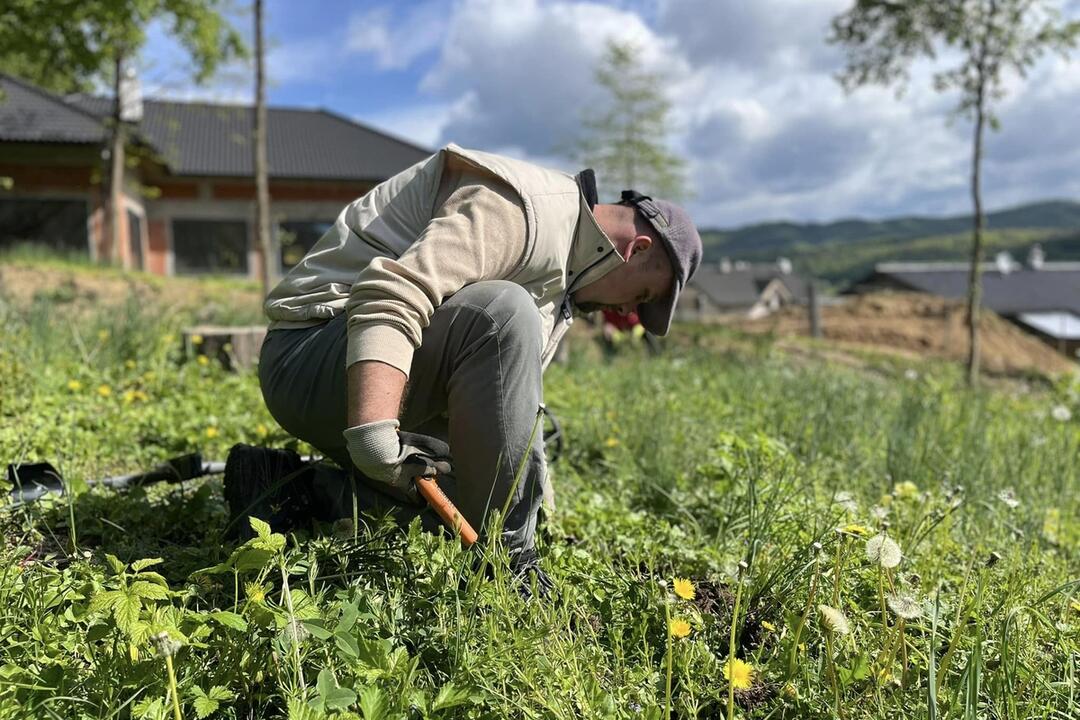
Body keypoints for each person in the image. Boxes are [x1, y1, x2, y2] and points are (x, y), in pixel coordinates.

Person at [257, 143, 701, 569]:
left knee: (473, 511)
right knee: (502, 312)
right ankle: (508, 565)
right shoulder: (528, 208)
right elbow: (392, 294)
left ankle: (301, 489)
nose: (628, 313)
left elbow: (512, 408)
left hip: (379, 370)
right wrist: (374, 433)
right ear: (636, 249)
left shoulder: (565, 277)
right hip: (309, 353)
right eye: (640, 295)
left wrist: (532, 502)